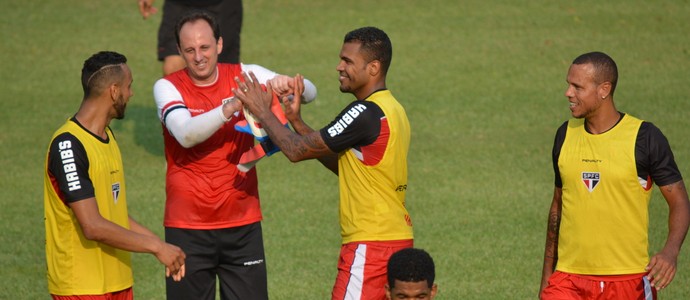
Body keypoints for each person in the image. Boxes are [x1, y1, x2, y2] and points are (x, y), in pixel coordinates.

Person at [234, 26, 413, 300]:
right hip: (395, 238)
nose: (339, 67)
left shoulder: (364, 112)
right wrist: (296, 122)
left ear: (374, 68)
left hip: (371, 245)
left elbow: (295, 151)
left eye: (348, 61)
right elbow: (348, 166)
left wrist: (261, 110)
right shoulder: (393, 109)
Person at [152, 11, 317, 300]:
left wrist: (285, 84)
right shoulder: (167, 87)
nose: (198, 57)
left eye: (204, 47)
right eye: (189, 50)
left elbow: (310, 93)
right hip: (187, 228)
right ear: (179, 51)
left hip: (243, 225)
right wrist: (230, 106)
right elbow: (186, 134)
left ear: (219, 44)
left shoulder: (244, 73)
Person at [539, 51, 690, 299]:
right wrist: (547, 278)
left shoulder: (644, 137)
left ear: (604, 89)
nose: (568, 92)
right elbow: (558, 207)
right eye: (568, 84)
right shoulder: (565, 135)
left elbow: (680, 202)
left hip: (628, 281)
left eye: (577, 86)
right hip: (568, 280)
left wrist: (670, 252)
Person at [43, 51, 186, 299]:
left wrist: (162, 247)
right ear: (113, 91)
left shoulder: (108, 139)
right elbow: (93, 225)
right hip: (82, 287)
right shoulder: (68, 145)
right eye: (128, 87)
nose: (131, 94)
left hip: (117, 281)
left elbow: (114, 213)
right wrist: (155, 247)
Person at [137, 0, 242, 75]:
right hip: (178, 5)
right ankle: (179, 105)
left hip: (223, 5)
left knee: (224, 73)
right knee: (173, 68)